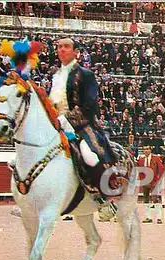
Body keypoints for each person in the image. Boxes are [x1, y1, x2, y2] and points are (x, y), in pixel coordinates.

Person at [49, 38, 118, 201]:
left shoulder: (86, 75)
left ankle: (105, 198)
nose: (62, 49)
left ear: (76, 52)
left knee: (89, 155)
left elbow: (90, 105)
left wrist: (67, 118)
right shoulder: (55, 76)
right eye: (59, 47)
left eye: (66, 46)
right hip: (55, 125)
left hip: (82, 126)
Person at [137, 145, 164, 224]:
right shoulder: (141, 160)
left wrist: (158, 180)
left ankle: (159, 217)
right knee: (146, 199)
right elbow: (140, 171)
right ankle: (148, 217)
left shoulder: (156, 158)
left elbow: (161, 169)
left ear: (150, 150)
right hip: (145, 182)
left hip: (154, 182)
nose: (146, 151)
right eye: (144, 149)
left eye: (147, 149)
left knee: (155, 199)